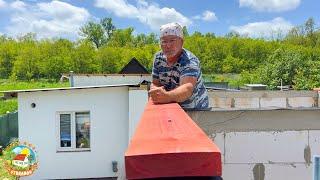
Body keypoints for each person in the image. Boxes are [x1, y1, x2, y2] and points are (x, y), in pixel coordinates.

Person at [149, 22, 209, 109]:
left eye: (172, 40)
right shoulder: (158, 58)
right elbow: (155, 83)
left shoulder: (189, 60)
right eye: (164, 41)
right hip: (170, 105)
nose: (168, 45)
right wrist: (155, 91)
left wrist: (166, 96)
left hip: (195, 109)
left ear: (181, 42)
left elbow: (187, 89)